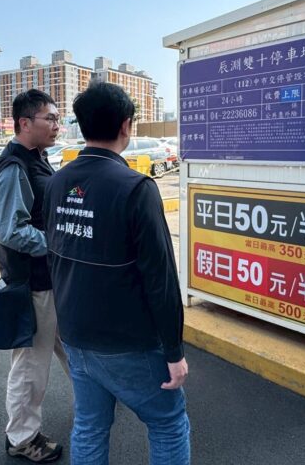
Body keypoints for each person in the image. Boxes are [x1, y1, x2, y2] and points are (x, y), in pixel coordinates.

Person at [43, 82, 189, 465]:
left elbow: (55, 256)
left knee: (90, 426)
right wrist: (174, 352)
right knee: (168, 423)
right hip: (129, 341)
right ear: (126, 125)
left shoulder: (57, 182)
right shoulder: (136, 188)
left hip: (75, 334)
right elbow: (161, 279)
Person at [0, 89, 68, 463]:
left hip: (50, 280)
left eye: (58, 118)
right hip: (31, 284)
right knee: (30, 366)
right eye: (50, 118)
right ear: (24, 123)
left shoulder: (37, 159)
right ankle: (21, 436)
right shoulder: (14, 168)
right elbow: (10, 230)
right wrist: (57, 245)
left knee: (73, 346)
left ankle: (96, 402)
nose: (57, 125)